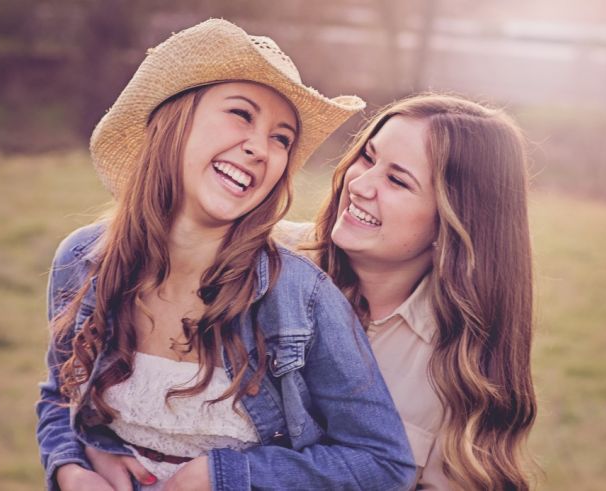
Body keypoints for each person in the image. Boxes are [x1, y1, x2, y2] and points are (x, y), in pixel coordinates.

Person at [36, 19, 415, 491]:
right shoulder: (83, 259)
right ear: (173, 120)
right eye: (242, 114)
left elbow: (381, 465)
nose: (261, 148)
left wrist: (224, 475)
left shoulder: (299, 297)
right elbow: (60, 395)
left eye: (281, 138)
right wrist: (73, 466)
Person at [276, 94, 538, 490]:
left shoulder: (462, 368)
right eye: (367, 156)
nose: (360, 184)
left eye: (397, 180)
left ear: (453, 221)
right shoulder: (268, 258)